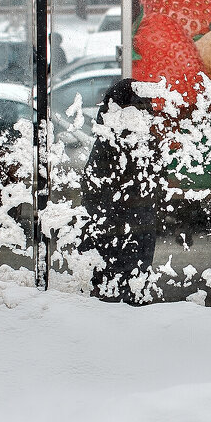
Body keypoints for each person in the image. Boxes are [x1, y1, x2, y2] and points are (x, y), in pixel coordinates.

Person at [79, 78, 164, 304]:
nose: (148, 112)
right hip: (120, 230)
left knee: (114, 297)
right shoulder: (122, 143)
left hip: (128, 229)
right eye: (143, 106)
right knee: (123, 296)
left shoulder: (111, 140)